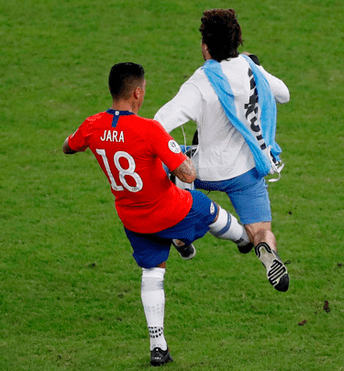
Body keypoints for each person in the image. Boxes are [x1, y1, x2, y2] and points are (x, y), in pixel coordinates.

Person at [62, 62, 258, 366]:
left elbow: (68, 146)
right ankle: (245, 240)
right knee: (208, 209)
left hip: (133, 218)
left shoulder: (92, 125)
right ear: (137, 93)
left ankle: (158, 346)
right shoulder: (149, 129)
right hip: (169, 210)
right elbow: (188, 174)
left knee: (152, 273)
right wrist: (184, 156)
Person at [154, 8, 290, 293]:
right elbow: (284, 94)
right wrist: (257, 68)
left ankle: (181, 235)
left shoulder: (203, 81)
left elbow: (160, 123)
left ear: (205, 47)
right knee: (260, 229)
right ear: (238, 40)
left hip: (204, 170)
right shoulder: (252, 68)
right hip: (248, 170)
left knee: (170, 157)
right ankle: (266, 250)